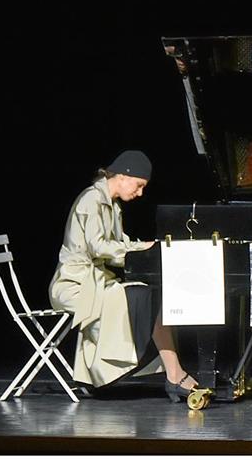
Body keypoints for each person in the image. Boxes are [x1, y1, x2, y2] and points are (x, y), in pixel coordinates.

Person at [49, 150, 198, 402]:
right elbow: (98, 247)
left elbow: (118, 243)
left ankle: (175, 373)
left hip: (97, 283)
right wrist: (143, 249)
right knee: (142, 296)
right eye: (139, 185)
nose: (139, 193)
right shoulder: (91, 200)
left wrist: (146, 246)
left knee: (151, 296)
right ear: (123, 175)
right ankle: (173, 375)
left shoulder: (112, 206)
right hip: (75, 285)